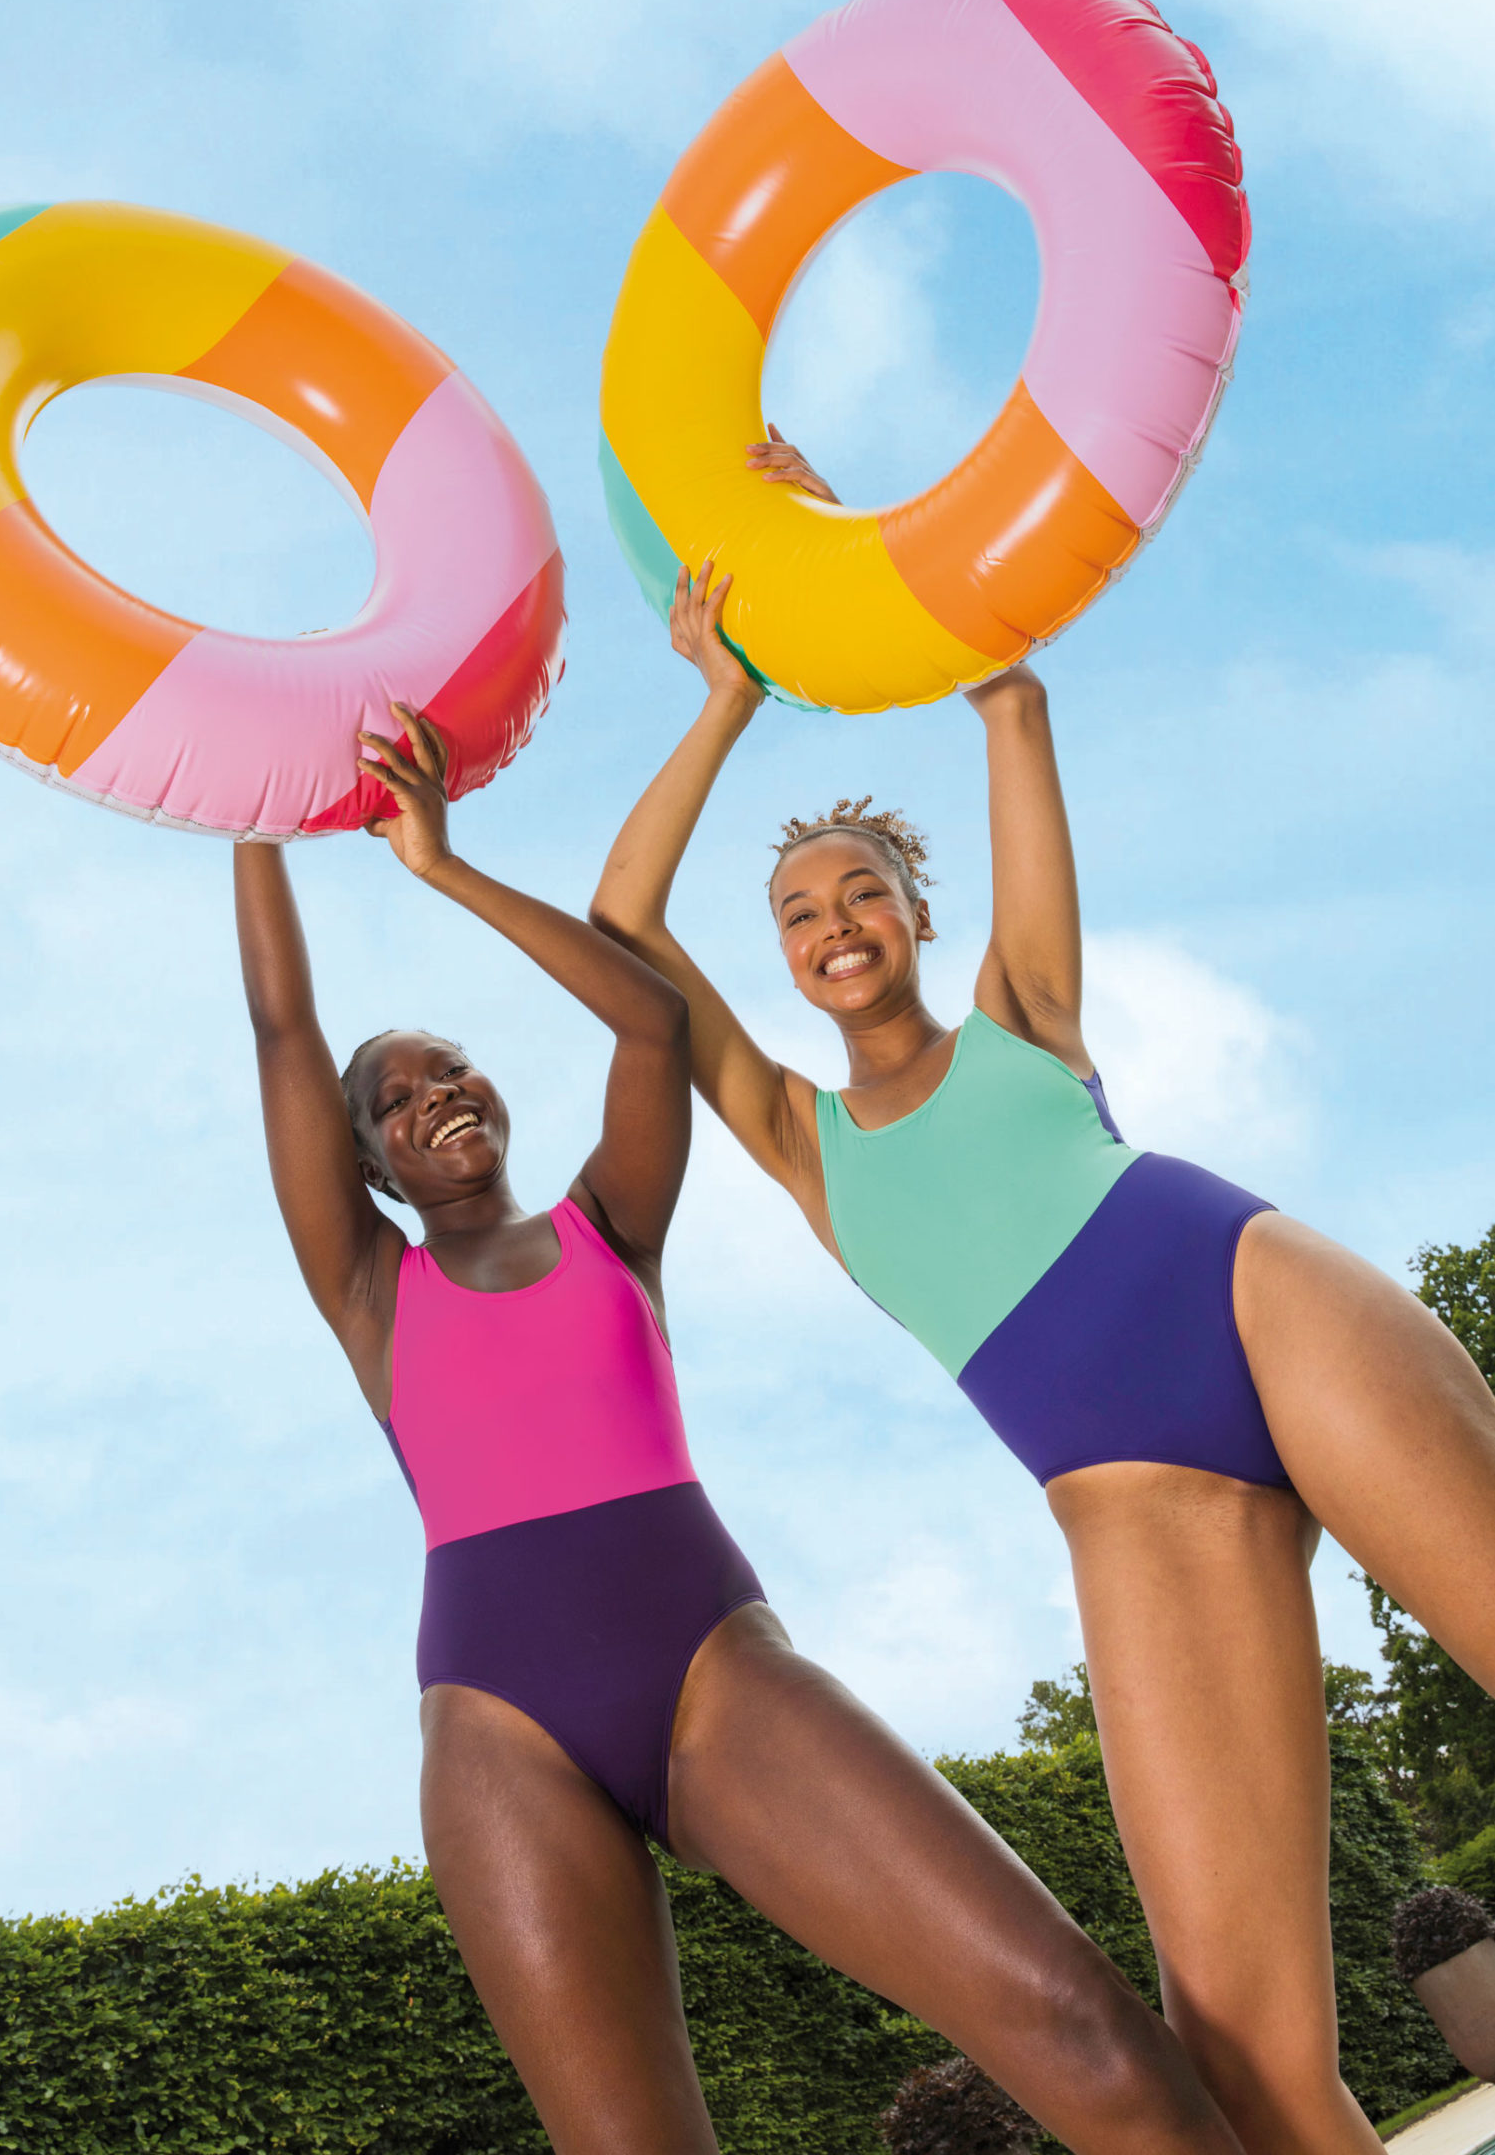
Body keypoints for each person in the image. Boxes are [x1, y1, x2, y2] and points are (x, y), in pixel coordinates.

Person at [587, 427, 1495, 2155]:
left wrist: (845, 534)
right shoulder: (790, 1131)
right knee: (1244, 2060)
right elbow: (620, 921)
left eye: (863, 888)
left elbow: (1009, 700)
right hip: (1125, 1497)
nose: (832, 919)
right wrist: (724, 699)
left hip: (1252, 1302)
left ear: (916, 913)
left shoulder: (1022, 1012)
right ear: (781, 955)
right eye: (797, 910)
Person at [234, 700, 1246, 2155]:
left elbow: (647, 1015)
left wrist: (437, 867)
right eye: (394, 1102)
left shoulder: (608, 1228)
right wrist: (248, 808)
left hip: (712, 1666)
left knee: (1074, 2021)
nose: (436, 1096)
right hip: (497, 1730)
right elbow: (283, 1030)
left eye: (450, 1066)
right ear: (367, 1166)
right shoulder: (369, 1292)